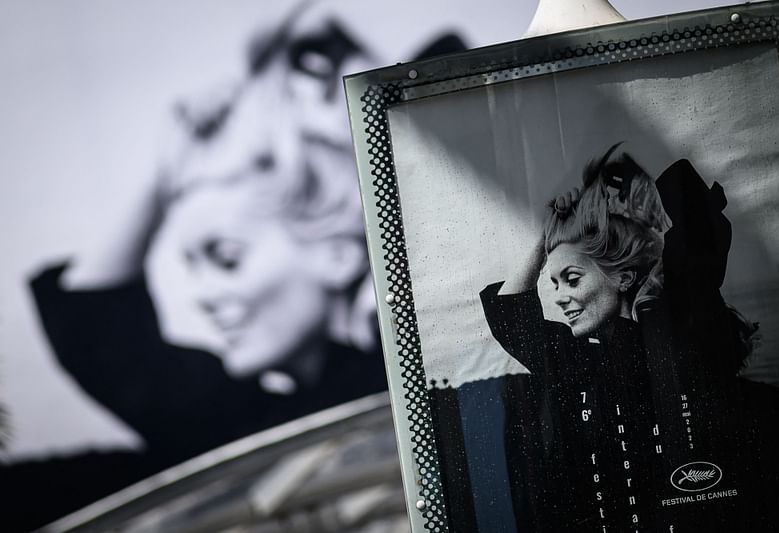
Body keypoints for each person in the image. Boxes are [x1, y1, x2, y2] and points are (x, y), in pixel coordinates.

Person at [3, 2, 470, 531]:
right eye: (192, 266)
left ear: (338, 255)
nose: (202, 295)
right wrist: (161, 180)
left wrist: (367, 108)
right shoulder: (242, 421)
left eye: (226, 258)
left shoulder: (422, 369)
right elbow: (100, 338)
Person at [431, 144, 779, 532]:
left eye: (572, 279)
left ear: (623, 277)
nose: (559, 297)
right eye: (553, 283)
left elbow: (688, 206)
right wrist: (544, 238)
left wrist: (629, 193)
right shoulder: (577, 360)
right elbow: (510, 316)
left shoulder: (678, 332)